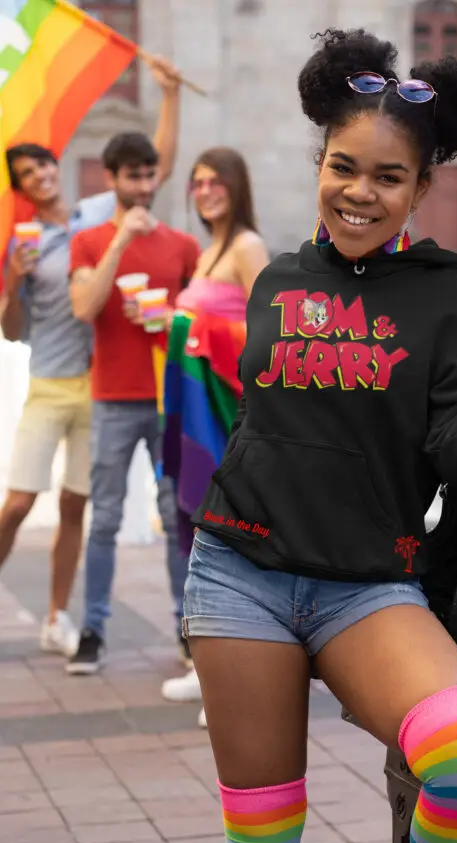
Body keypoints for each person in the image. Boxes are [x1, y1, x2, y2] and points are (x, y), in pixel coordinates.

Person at [182, 29, 457, 843]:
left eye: (389, 177)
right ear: (321, 162)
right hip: (241, 573)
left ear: (423, 188)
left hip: (364, 587)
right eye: (344, 167)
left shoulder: (449, 299)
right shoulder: (275, 279)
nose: (360, 192)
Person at [0, 57, 182, 658]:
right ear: (22, 187)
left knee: (81, 507)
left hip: (102, 384)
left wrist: (169, 96)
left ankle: (60, 617)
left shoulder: (91, 216)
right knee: (21, 501)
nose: (43, 176)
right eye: (29, 173)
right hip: (54, 382)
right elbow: (12, 330)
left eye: (45, 164)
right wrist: (12, 282)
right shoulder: (30, 246)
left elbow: (153, 167)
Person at [67, 131, 201, 675]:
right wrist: (121, 241)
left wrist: (172, 320)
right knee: (104, 520)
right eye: (133, 177)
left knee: (176, 517)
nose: (144, 187)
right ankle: (93, 629)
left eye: (150, 176)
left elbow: (199, 321)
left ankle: (184, 629)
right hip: (113, 399)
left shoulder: (182, 245)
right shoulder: (90, 242)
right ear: (112, 179)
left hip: (169, 400)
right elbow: (83, 306)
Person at [161, 147, 269, 720]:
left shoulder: (247, 247)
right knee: (196, 541)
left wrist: (200, 329)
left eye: (215, 180)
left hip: (225, 417)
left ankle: (232, 679)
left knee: (225, 542)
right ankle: (203, 666)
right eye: (197, 181)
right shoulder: (207, 253)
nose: (205, 190)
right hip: (194, 415)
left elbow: (269, 328)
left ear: (236, 185)